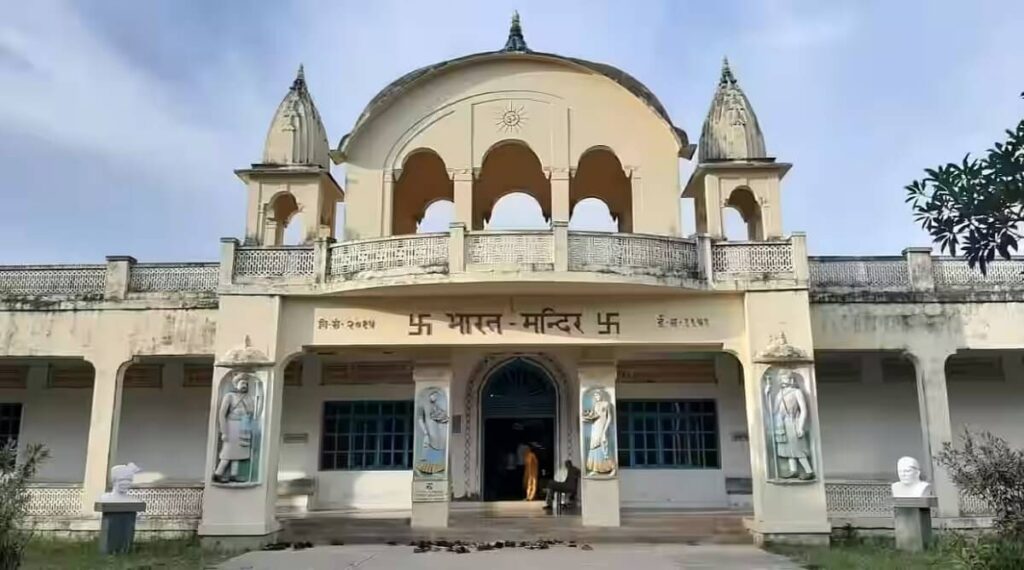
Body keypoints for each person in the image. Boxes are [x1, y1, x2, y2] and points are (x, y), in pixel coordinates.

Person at [213, 373, 260, 483]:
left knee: (239, 452)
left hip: (243, 425)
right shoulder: (229, 396)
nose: (245, 385)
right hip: (232, 425)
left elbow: (251, 412)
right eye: (242, 383)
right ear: (236, 384)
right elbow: (222, 414)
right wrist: (224, 431)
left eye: (246, 383)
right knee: (228, 451)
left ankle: (234, 475)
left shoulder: (248, 397)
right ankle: (218, 473)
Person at [771, 370, 814, 480]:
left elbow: (804, 410)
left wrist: (800, 426)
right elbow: (773, 411)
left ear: (791, 379)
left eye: (786, 378)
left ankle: (809, 471)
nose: (784, 381)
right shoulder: (779, 394)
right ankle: (793, 470)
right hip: (782, 423)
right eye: (782, 379)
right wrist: (767, 393)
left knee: (797, 448)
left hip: (794, 421)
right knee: (787, 449)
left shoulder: (796, 392)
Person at [582, 389, 616, 475]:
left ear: (601, 395)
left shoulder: (606, 404)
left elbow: (609, 418)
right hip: (595, 426)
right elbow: (592, 416)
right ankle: (595, 469)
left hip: (602, 426)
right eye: (595, 396)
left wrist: (605, 430)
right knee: (593, 446)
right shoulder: (595, 405)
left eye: (598, 395)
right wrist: (586, 418)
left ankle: (612, 467)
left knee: (603, 445)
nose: (597, 397)